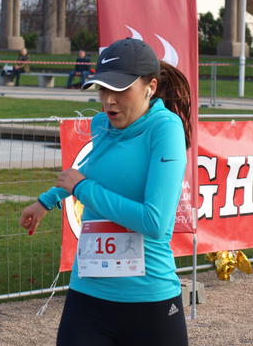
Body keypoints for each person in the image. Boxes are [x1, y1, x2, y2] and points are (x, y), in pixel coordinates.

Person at [20, 38, 191, 346]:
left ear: (150, 87)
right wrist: (46, 201)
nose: (109, 100)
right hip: (88, 295)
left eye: (121, 90)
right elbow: (90, 170)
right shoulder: (102, 125)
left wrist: (83, 189)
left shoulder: (165, 128)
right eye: (102, 88)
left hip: (148, 299)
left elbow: (154, 222)